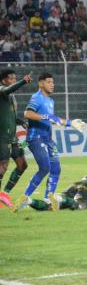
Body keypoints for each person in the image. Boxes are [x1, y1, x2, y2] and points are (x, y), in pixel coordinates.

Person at [11, 73, 85, 212]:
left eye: (53, 82)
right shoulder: (36, 97)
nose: (52, 84)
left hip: (48, 139)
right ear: (41, 84)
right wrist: (46, 116)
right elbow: (27, 114)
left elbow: (53, 119)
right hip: (35, 138)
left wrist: (71, 123)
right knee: (45, 167)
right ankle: (25, 198)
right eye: (49, 82)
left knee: (56, 168)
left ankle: (48, 198)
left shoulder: (51, 101)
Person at [0, 70, 32, 208]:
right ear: (3, 80)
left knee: (22, 165)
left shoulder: (11, 96)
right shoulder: (2, 90)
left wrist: (21, 121)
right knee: (3, 166)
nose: (13, 80)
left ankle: (4, 194)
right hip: (2, 137)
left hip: (12, 137)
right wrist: (23, 81)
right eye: (11, 78)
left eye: (15, 78)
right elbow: (8, 90)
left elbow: (10, 115)